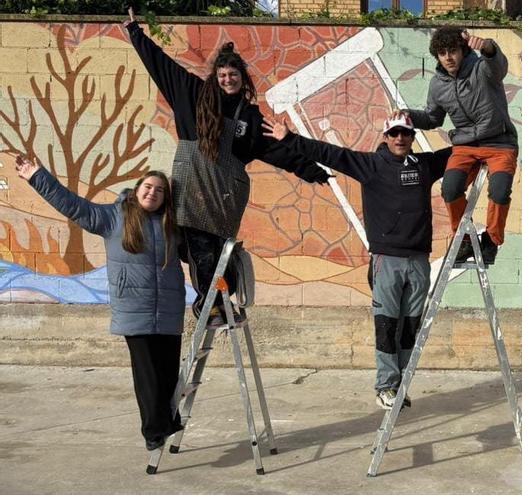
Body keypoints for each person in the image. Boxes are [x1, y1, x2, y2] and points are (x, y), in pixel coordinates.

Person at [123, 8, 328, 324]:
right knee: (199, 248)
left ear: (242, 78)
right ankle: (209, 306)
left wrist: (311, 169)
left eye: (233, 75)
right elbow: (161, 65)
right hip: (191, 190)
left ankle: (220, 301)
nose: (227, 80)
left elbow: (277, 150)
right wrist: (136, 33)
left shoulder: (251, 117)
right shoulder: (192, 94)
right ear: (215, 78)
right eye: (222, 75)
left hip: (224, 197)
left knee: (220, 255)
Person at [263, 113, 451, 410]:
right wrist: (290, 139)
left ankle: (400, 384)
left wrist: (486, 134)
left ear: (413, 138)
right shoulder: (371, 165)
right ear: (386, 137)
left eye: (406, 133)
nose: (400, 138)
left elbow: (459, 154)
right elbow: (330, 154)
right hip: (387, 260)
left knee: (409, 327)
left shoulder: (424, 166)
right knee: (387, 326)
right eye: (394, 133)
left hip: (419, 260)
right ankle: (385, 386)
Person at [15, 155, 186, 452]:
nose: (152, 193)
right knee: (147, 375)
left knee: (169, 373)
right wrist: (37, 176)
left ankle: (168, 422)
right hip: (134, 311)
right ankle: (153, 432)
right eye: (148, 187)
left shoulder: (172, 224)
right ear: (136, 190)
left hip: (169, 311)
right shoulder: (114, 217)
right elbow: (72, 205)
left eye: (160, 190)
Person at [395, 26, 517, 266]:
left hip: (499, 142)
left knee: (500, 191)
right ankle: (464, 240)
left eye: (452, 51)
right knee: (450, 189)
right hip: (465, 146)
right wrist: (407, 114)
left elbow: (499, 66)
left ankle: (491, 241)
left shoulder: (482, 68)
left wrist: (488, 47)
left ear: (462, 50)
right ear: (437, 56)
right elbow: (432, 118)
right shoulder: (437, 85)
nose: (448, 57)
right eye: (442, 53)